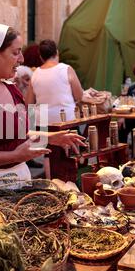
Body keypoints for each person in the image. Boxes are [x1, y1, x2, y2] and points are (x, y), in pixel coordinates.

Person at [0, 24, 85, 189]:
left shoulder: (11, 89)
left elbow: (18, 132)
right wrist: (13, 156)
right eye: (15, 52)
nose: (21, 59)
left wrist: (50, 137)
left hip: (17, 182)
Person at [25, 39, 84, 178]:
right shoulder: (66, 69)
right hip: (65, 120)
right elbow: (79, 95)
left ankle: (51, 182)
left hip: (43, 121)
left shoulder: (36, 74)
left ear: (41, 56)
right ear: (57, 52)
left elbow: (29, 103)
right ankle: (71, 182)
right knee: (69, 153)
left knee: (48, 155)